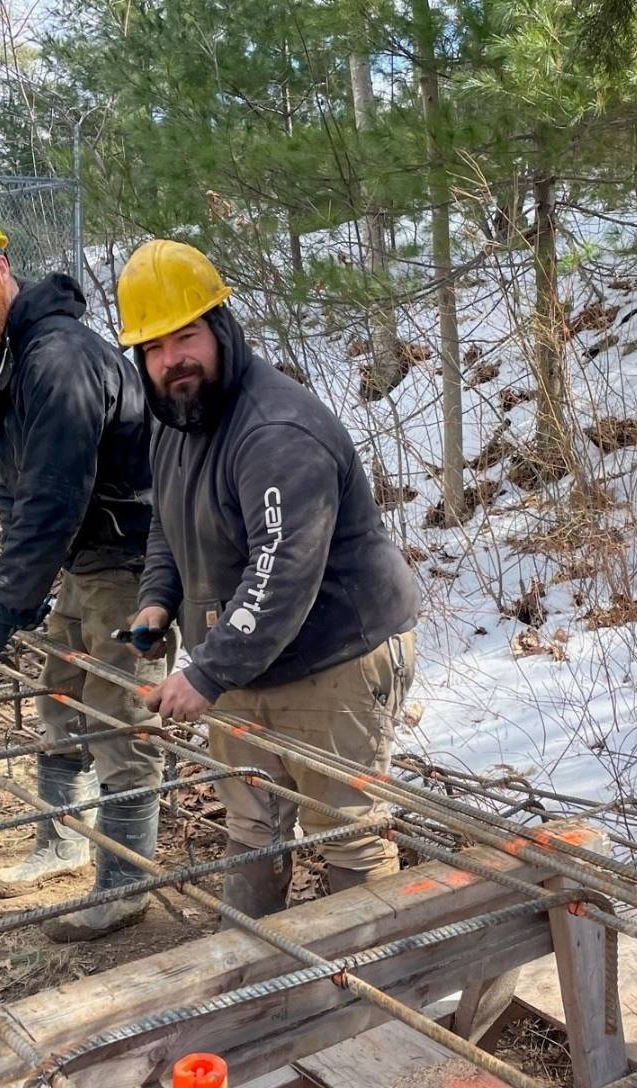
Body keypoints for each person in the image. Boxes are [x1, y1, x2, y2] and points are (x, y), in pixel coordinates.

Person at [115, 239, 421, 917]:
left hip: (334, 651)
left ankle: (379, 988)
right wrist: (157, 599)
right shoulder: (177, 413)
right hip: (248, 656)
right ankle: (255, 964)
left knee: (348, 832)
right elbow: (169, 518)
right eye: (154, 348)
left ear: (221, 327)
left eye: (186, 336)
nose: (173, 360)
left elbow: (282, 572)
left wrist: (204, 673)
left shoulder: (277, 430)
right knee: (253, 825)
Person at [0, 201, 164, 940]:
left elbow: (54, 495)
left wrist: (4, 610)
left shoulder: (57, 359)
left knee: (122, 716)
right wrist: (18, 595)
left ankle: (125, 883)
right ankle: (60, 842)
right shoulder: (1, 355)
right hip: (86, 557)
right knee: (61, 693)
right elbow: (21, 486)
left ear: (0, 262)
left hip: (133, 561)